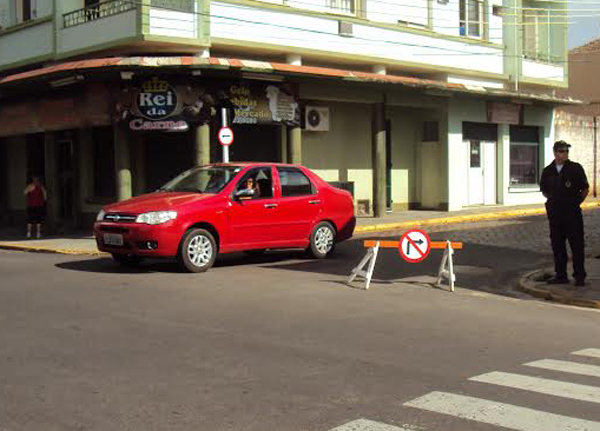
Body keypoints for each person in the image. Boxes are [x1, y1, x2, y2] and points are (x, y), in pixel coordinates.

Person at [539, 140, 589, 287]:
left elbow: (585, 189)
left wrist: (575, 203)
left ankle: (579, 276)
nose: (564, 154)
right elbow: (544, 190)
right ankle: (561, 275)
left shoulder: (575, 168)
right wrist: (554, 201)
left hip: (572, 214)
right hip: (555, 215)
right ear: (555, 153)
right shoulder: (548, 170)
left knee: (577, 245)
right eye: (561, 151)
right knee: (558, 245)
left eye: (566, 151)